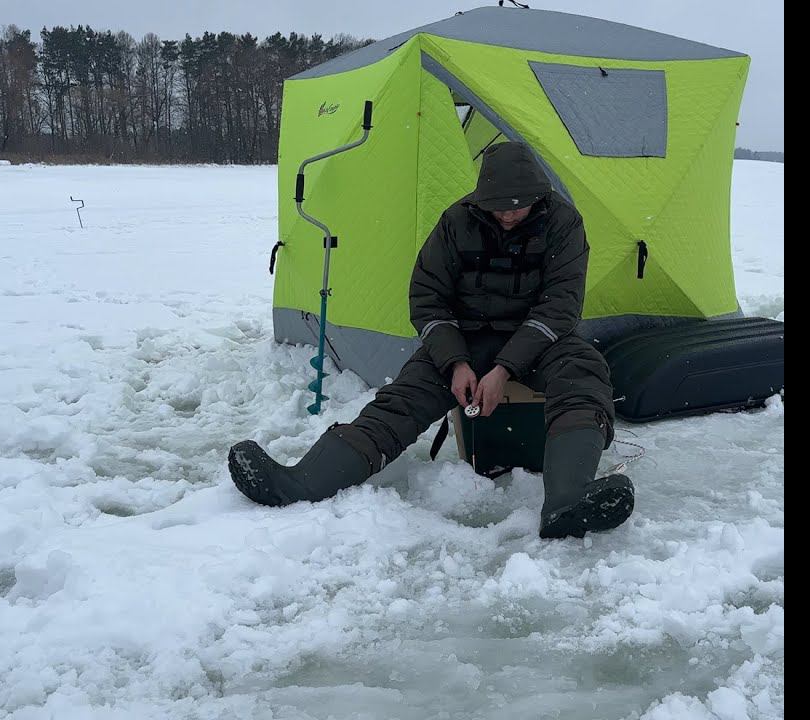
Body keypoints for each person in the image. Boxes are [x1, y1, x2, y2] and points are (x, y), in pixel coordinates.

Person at [228, 142, 634, 539]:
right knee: (405, 397)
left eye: (518, 207)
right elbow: (427, 299)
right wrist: (455, 361)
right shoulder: (457, 221)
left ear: (538, 198)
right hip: (466, 337)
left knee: (584, 373)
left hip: (541, 339)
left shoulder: (564, 223)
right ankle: (301, 483)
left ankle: (567, 500)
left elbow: (560, 307)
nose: (509, 216)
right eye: (499, 208)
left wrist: (504, 369)